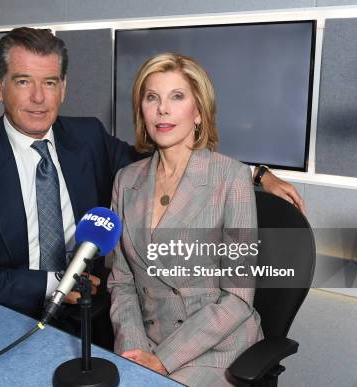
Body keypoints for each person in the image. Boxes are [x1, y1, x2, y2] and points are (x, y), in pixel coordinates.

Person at [0, 27, 303, 323]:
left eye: (49, 83)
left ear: (64, 88)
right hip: (7, 311)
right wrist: (53, 283)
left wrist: (256, 174)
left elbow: (170, 153)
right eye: (22, 82)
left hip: (89, 313)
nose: (38, 98)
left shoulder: (87, 138)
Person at [107, 53, 262, 386]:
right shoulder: (125, 180)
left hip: (217, 346)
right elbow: (121, 282)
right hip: (148, 340)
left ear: (198, 112)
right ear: (142, 111)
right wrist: (134, 347)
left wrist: (163, 360)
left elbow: (238, 298)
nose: (163, 109)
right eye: (152, 98)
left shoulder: (231, 178)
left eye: (177, 97)